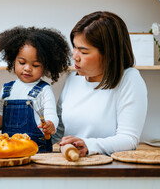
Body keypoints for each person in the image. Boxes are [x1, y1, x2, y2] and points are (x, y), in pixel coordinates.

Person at [54, 11, 148, 157]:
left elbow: (129, 139)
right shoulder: (73, 79)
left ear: (109, 55)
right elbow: (58, 133)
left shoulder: (129, 79)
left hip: (109, 170)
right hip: (69, 163)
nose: (75, 56)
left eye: (84, 52)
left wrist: (88, 145)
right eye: (75, 47)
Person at [0, 26, 71, 152]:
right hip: (8, 150)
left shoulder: (44, 90)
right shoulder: (7, 89)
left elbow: (51, 115)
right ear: (13, 60)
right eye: (22, 62)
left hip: (37, 152)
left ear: (46, 67)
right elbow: (1, 116)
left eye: (35, 65)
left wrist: (50, 124)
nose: (27, 68)